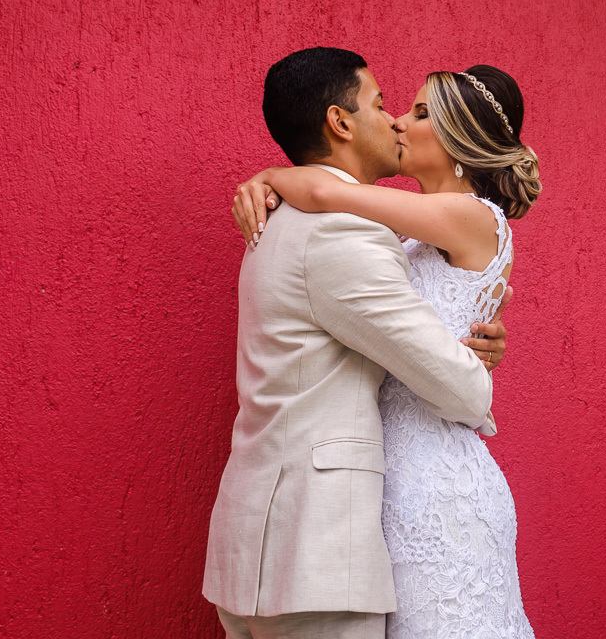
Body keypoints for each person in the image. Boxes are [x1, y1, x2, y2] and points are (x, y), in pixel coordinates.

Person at [203, 47, 511, 639]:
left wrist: (475, 330)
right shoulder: (339, 230)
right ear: (340, 123)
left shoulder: (284, 216)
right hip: (315, 557)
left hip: (267, 548)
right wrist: (474, 370)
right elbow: (459, 386)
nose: (394, 119)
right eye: (380, 103)